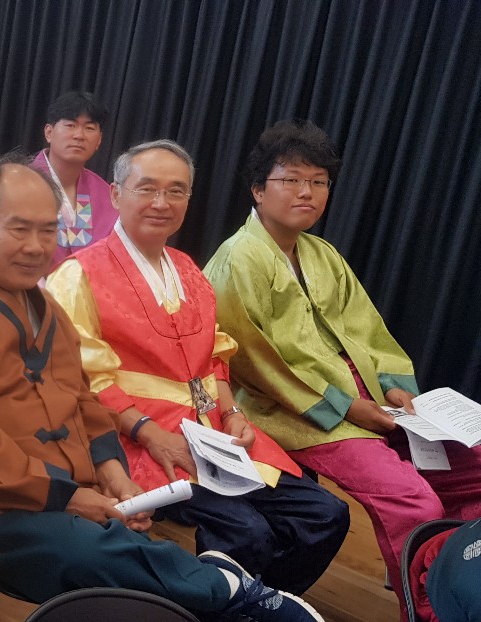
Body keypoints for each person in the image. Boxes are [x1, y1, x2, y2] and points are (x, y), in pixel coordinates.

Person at [0, 153, 323, 622]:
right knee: (99, 554)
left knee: (129, 554)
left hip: (78, 491)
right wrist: (70, 497)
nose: (35, 246)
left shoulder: (45, 306)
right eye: (19, 229)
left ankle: (226, 592)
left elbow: (84, 398)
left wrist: (114, 475)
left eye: (47, 231)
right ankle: (228, 589)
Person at [48, 139, 348, 595]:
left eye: (176, 191)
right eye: (147, 188)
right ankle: (221, 600)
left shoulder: (189, 269)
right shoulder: (78, 275)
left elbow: (212, 360)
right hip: (134, 437)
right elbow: (82, 381)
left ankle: (253, 602)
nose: (161, 202)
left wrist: (233, 413)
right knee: (246, 532)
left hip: (212, 433)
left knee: (325, 515)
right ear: (116, 194)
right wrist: (151, 433)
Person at [204, 119, 481, 606]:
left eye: (319, 181)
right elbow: (255, 364)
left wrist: (395, 387)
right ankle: (425, 604)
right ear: (258, 190)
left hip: (372, 402)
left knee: (474, 467)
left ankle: (456, 583)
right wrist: (349, 408)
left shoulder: (322, 254)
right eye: (291, 179)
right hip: (299, 413)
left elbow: (368, 330)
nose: (306, 192)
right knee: (413, 500)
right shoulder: (237, 259)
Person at [29, 91, 115, 265]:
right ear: (49, 132)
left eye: (89, 128)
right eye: (70, 125)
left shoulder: (106, 194)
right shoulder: (18, 183)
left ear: (99, 140)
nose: (79, 135)